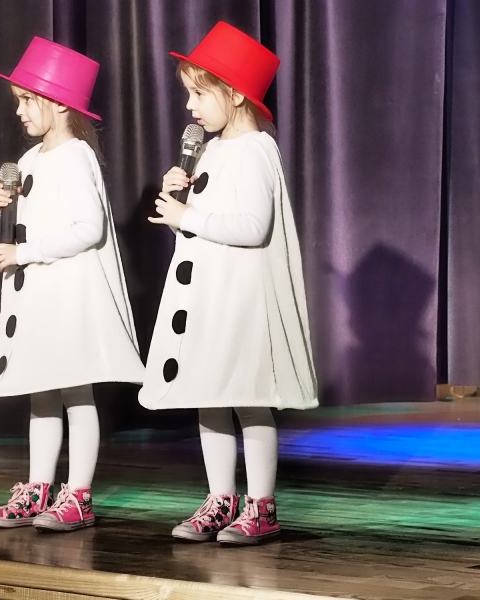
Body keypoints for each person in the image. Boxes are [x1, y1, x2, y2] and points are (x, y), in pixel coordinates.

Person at [139, 22, 317, 545]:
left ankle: (261, 506)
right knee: (209, 393)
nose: (189, 106)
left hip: (240, 298)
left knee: (248, 396)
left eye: (199, 94)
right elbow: (204, 228)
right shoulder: (212, 150)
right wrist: (180, 205)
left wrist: (189, 217)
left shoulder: (256, 148)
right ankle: (221, 499)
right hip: (208, 296)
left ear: (235, 93)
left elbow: (253, 227)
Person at [0, 37, 144, 531]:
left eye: (28, 100)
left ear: (60, 104)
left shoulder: (75, 155)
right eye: (19, 100)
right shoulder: (29, 161)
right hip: (38, 296)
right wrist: (3, 209)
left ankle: (78, 495)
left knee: (75, 392)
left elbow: (89, 228)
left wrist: (24, 253)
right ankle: (38, 488)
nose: (19, 111)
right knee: (40, 391)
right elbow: (33, 220)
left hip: (67, 295)